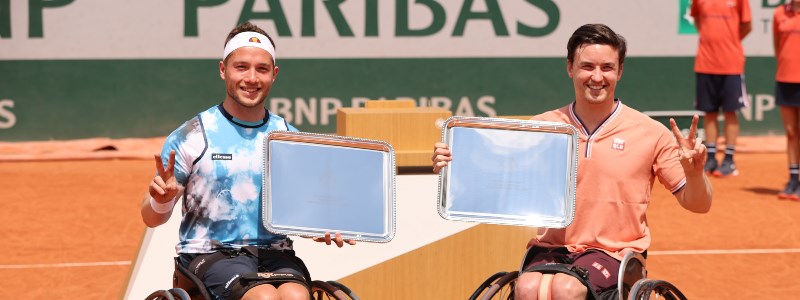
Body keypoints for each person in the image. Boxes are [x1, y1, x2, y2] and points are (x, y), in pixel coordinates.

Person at [431, 24, 713, 299]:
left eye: (607, 67)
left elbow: (699, 204)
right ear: (570, 68)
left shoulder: (650, 133)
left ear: (619, 71)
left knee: (566, 289)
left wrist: (695, 173)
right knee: (527, 288)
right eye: (587, 66)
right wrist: (454, 165)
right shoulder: (543, 128)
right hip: (551, 249)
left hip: (614, 253)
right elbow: (496, 177)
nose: (597, 77)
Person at [140, 22, 353, 300]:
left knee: (296, 296)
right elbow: (151, 218)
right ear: (223, 70)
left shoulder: (289, 137)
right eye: (241, 67)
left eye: (261, 69)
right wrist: (162, 200)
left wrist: (321, 226)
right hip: (208, 254)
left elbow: (304, 209)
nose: (251, 78)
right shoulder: (192, 135)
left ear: (274, 74)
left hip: (275, 254)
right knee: (264, 297)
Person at [690, 0, 752, 177]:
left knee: (730, 111)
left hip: (731, 64)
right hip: (705, 63)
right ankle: (710, 158)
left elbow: (747, 26)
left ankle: (729, 160)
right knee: (709, 112)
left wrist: (729, 41)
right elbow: (697, 20)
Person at [774, 0, 800, 200]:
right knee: (791, 132)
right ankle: (793, 179)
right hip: (785, 79)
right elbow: (778, 46)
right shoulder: (779, 13)